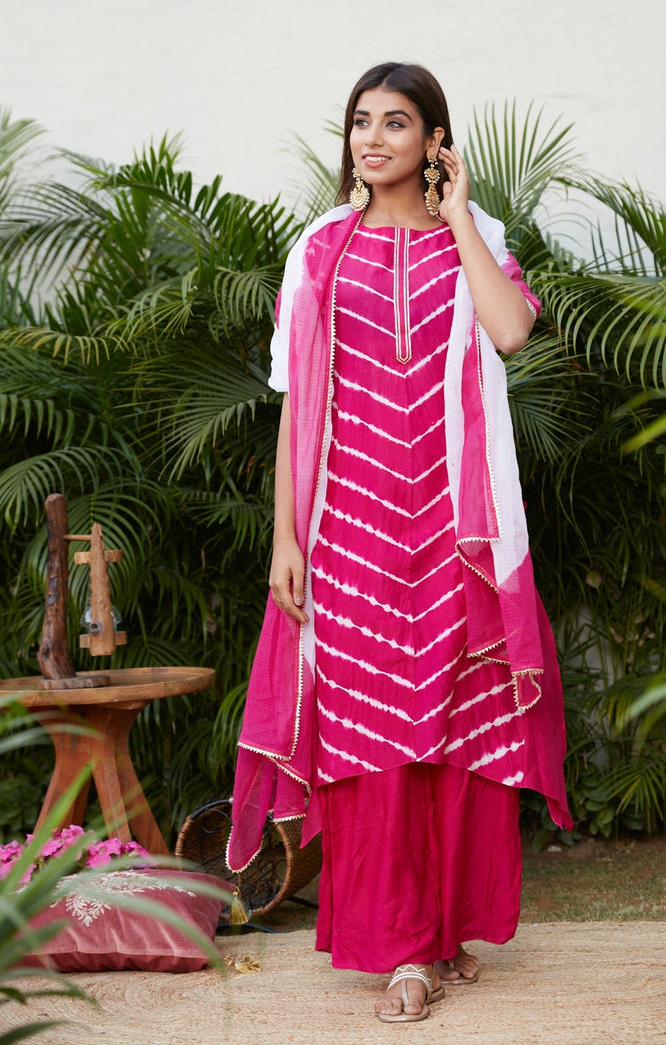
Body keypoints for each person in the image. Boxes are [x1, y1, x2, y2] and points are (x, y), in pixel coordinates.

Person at [227, 62, 572, 1023]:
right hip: (351, 529)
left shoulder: (476, 235)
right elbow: (297, 407)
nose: (372, 140)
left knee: (454, 727)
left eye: (396, 123)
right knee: (374, 729)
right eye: (361, 122)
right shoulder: (320, 249)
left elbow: (511, 332)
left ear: (433, 141)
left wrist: (459, 217)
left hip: (456, 530)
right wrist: (285, 539)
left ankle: (446, 928)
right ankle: (406, 947)